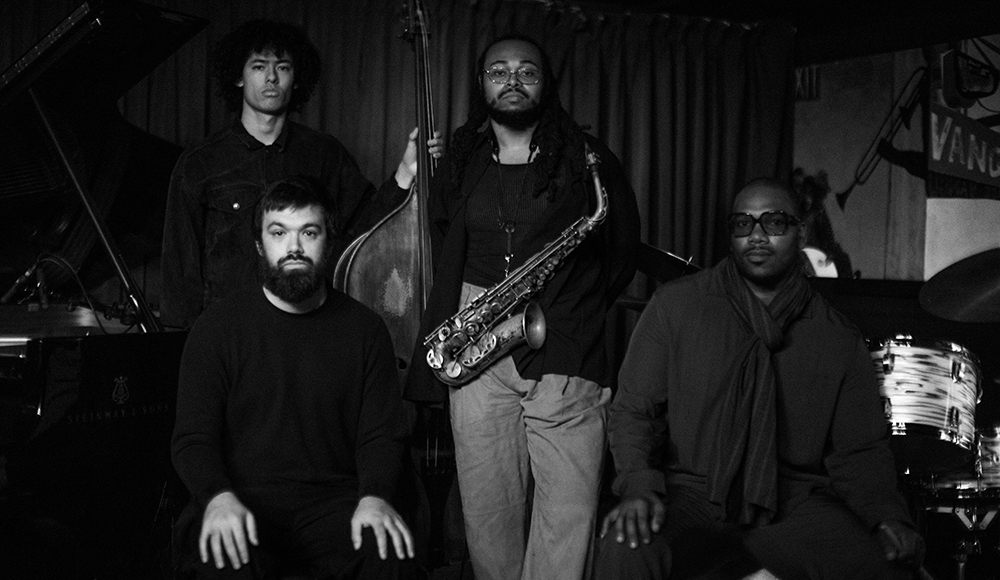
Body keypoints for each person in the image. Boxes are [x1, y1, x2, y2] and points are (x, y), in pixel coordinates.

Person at [595, 178, 925, 580]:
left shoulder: (837, 336)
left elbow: (860, 450)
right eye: (743, 224)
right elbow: (634, 412)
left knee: (891, 570)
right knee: (625, 548)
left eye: (774, 222)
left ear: (800, 232)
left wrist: (887, 516)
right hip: (692, 492)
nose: (756, 235)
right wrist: (638, 486)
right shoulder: (677, 306)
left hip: (793, 501)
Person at [404, 35, 640, 580]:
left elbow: (622, 249)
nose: (512, 81)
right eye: (498, 71)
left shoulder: (587, 158)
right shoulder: (461, 160)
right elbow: (442, 237)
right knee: (488, 519)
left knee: (567, 519)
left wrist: (575, 309)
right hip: (478, 346)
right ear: (481, 83)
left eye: (527, 71)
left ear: (545, 82)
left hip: (566, 344)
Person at [171, 176, 416, 579]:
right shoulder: (216, 328)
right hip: (240, 498)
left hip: (335, 502)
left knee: (391, 561)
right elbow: (193, 438)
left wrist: (374, 497)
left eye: (309, 232)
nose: (294, 247)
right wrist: (216, 497)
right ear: (259, 245)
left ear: (328, 243)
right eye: (279, 233)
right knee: (218, 564)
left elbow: (381, 435)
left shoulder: (365, 330)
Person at [161, 18, 440, 328]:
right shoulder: (200, 162)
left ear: (296, 79)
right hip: (230, 331)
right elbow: (180, 268)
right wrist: (185, 340)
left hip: (310, 327)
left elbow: (366, 232)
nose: (271, 77)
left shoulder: (325, 154)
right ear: (238, 77)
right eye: (258, 66)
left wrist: (405, 172)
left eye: (282, 67)